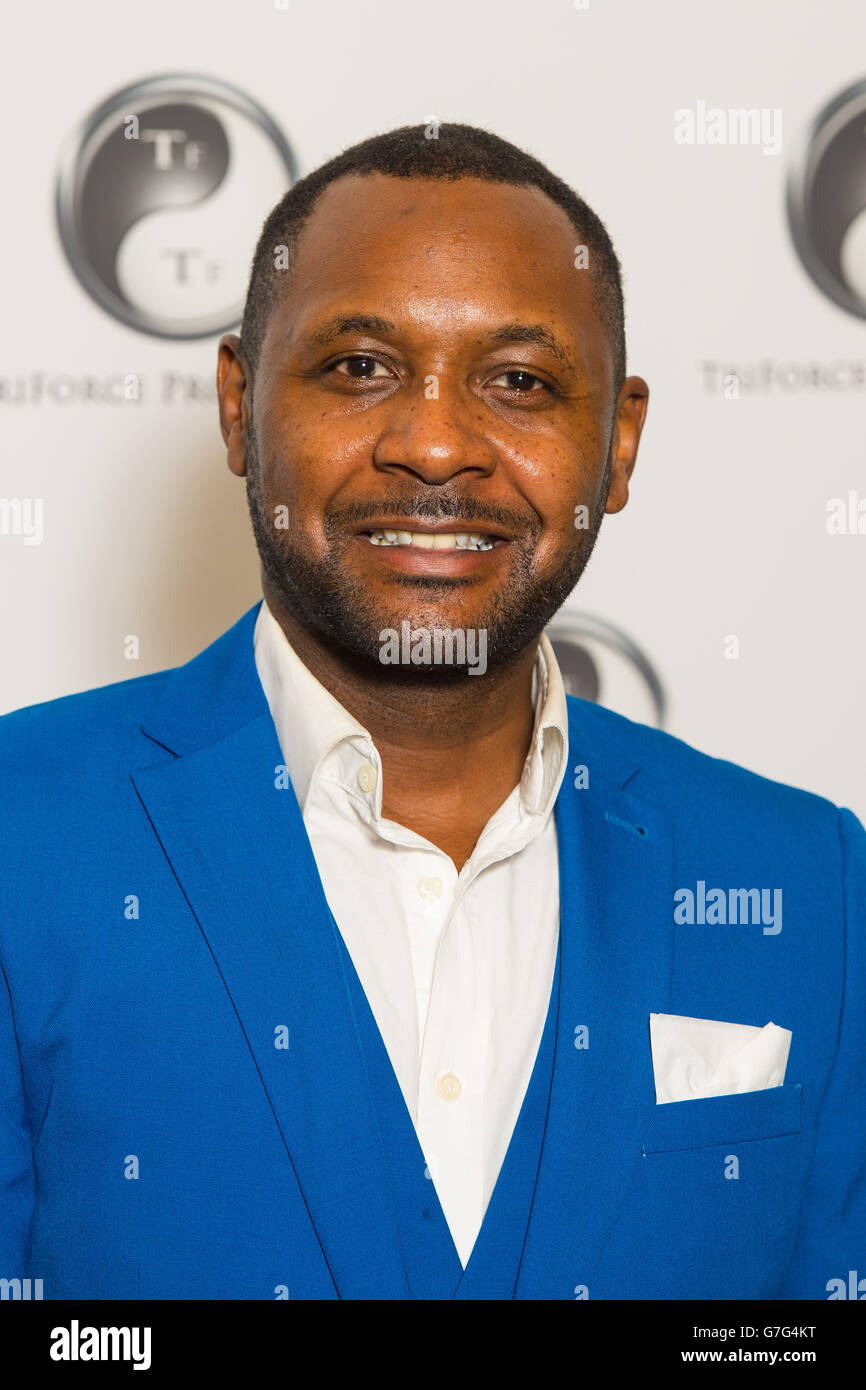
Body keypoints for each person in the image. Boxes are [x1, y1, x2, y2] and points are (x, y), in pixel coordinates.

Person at [1, 123, 863, 1301]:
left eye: (518, 381)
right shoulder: (25, 833)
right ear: (238, 408)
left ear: (615, 444)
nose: (437, 444)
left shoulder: (802, 878)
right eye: (359, 366)